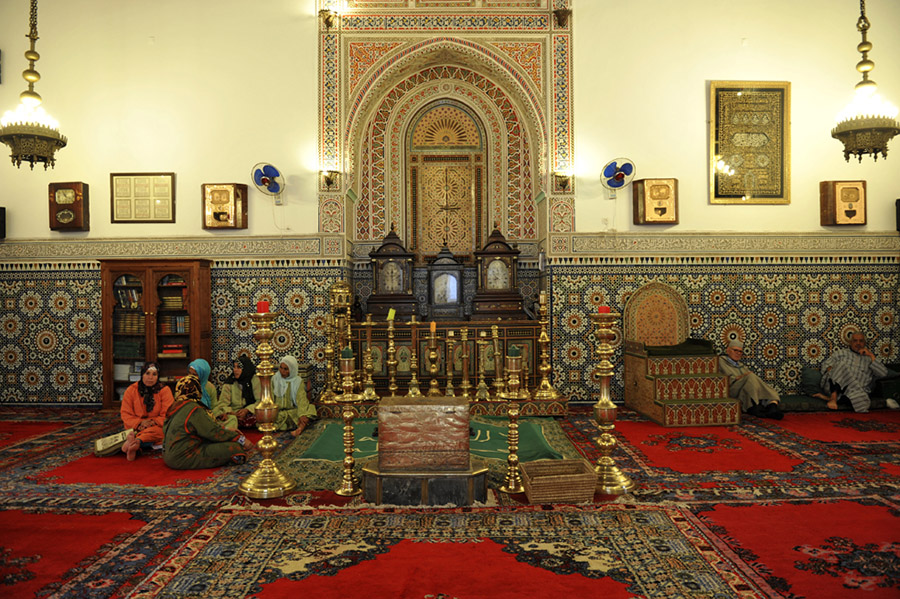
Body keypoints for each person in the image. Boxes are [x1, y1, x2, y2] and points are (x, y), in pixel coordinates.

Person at [163, 374, 253, 469]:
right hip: (183, 457)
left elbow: (206, 428)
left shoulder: (175, 406)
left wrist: (226, 429)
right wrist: (240, 439)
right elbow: (213, 432)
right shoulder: (193, 409)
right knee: (235, 448)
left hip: (168, 456)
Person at [814, 331, 892, 413]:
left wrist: (871, 355)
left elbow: (883, 374)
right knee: (841, 365)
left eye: (861, 341)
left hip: (857, 391)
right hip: (838, 387)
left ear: (864, 343)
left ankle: (829, 398)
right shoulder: (841, 353)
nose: (858, 343)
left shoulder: (869, 359)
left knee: (862, 402)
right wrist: (834, 371)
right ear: (850, 342)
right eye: (855, 340)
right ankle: (833, 398)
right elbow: (825, 367)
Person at [120, 362, 174, 460]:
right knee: (161, 435)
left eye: (154, 374)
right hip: (137, 427)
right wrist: (140, 423)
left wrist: (152, 422)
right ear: (142, 375)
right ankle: (138, 442)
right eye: (147, 373)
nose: (150, 377)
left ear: (158, 376)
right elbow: (126, 414)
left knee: (166, 431)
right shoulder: (131, 390)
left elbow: (168, 414)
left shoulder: (165, 390)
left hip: (156, 426)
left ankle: (136, 442)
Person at [718, 340, 783, 420]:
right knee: (751, 377)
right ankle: (758, 406)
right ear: (728, 350)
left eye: (740, 351)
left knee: (751, 379)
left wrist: (745, 376)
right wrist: (738, 377)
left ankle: (772, 406)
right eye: (735, 350)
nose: (738, 353)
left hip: (743, 390)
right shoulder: (720, 361)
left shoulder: (741, 365)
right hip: (730, 390)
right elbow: (719, 379)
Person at [269, 355, 317, 437]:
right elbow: (270, 398)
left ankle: (300, 428)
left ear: (292, 370)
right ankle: (295, 426)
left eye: (286, 369)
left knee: (310, 409)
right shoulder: (274, 379)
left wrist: (302, 414)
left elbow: (301, 400)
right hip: (279, 413)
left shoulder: (298, 381)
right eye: (281, 367)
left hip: (293, 412)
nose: (282, 371)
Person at [215, 355, 261, 430]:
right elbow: (222, 403)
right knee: (223, 416)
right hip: (233, 414)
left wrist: (247, 410)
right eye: (234, 367)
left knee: (262, 416)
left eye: (238, 368)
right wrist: (231, 412)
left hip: (250, 413)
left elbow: (260, 401)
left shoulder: (254, 380)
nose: (235, 370)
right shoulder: (230, 382)